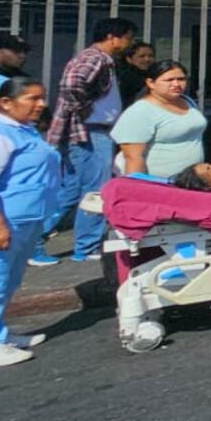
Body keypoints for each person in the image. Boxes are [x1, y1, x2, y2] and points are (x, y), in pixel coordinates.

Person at [0, 75, 60, 366]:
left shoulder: (22, 129)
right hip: (0, 221)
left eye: (42, 97)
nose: (41, 104)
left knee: (8, 280)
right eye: (33, 99)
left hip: (25, 220)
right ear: (5, 102)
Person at [42, 16, 136, 264]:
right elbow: (72, 84)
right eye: (127, 38)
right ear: (112, 38)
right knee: (96, 191)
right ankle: (87, 247)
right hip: (89, 132)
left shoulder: (98, 59)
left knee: (72, 191)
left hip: (86, 131)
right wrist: (82, 107)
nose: (129, 43)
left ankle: (35, 241)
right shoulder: (96, 58)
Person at [110, 60, 208, 180]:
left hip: (190, 182)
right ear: (151, 83)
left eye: (181, 79)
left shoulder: (188, 101)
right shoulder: (141, 111)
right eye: (169, 80)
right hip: (158, 184)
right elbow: (133, 157)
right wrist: (137, 188)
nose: (176, 84)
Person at [117, 41, 155, 109]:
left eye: (150, 56)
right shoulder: (125, 77)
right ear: (129, 59)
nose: (147, 59)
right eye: (142, 56)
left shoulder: (155, 75)